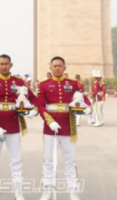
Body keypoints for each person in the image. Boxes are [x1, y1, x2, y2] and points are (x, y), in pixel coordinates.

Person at [0, 54, 38, 200]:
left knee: (16, 160)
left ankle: (18, 193)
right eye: (2, 64)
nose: (4, 66)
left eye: (7, 64)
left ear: (11, 65)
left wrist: (33, 110)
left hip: (13, 125)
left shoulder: (19, 81)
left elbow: (33, 98)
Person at [37, 56, 91, 200]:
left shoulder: (74, 84)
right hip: (50, 128)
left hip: (68, 127)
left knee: (70, 161)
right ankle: (47, 190)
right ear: (50, 68)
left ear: (64, 68)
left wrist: (88, 108)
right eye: (54, 66)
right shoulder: (43, 85)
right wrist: (49, 121)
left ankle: (73, 190)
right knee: (49, 161)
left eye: (60, 66)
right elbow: (40, 105)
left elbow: (84, 99)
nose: (57, 68)